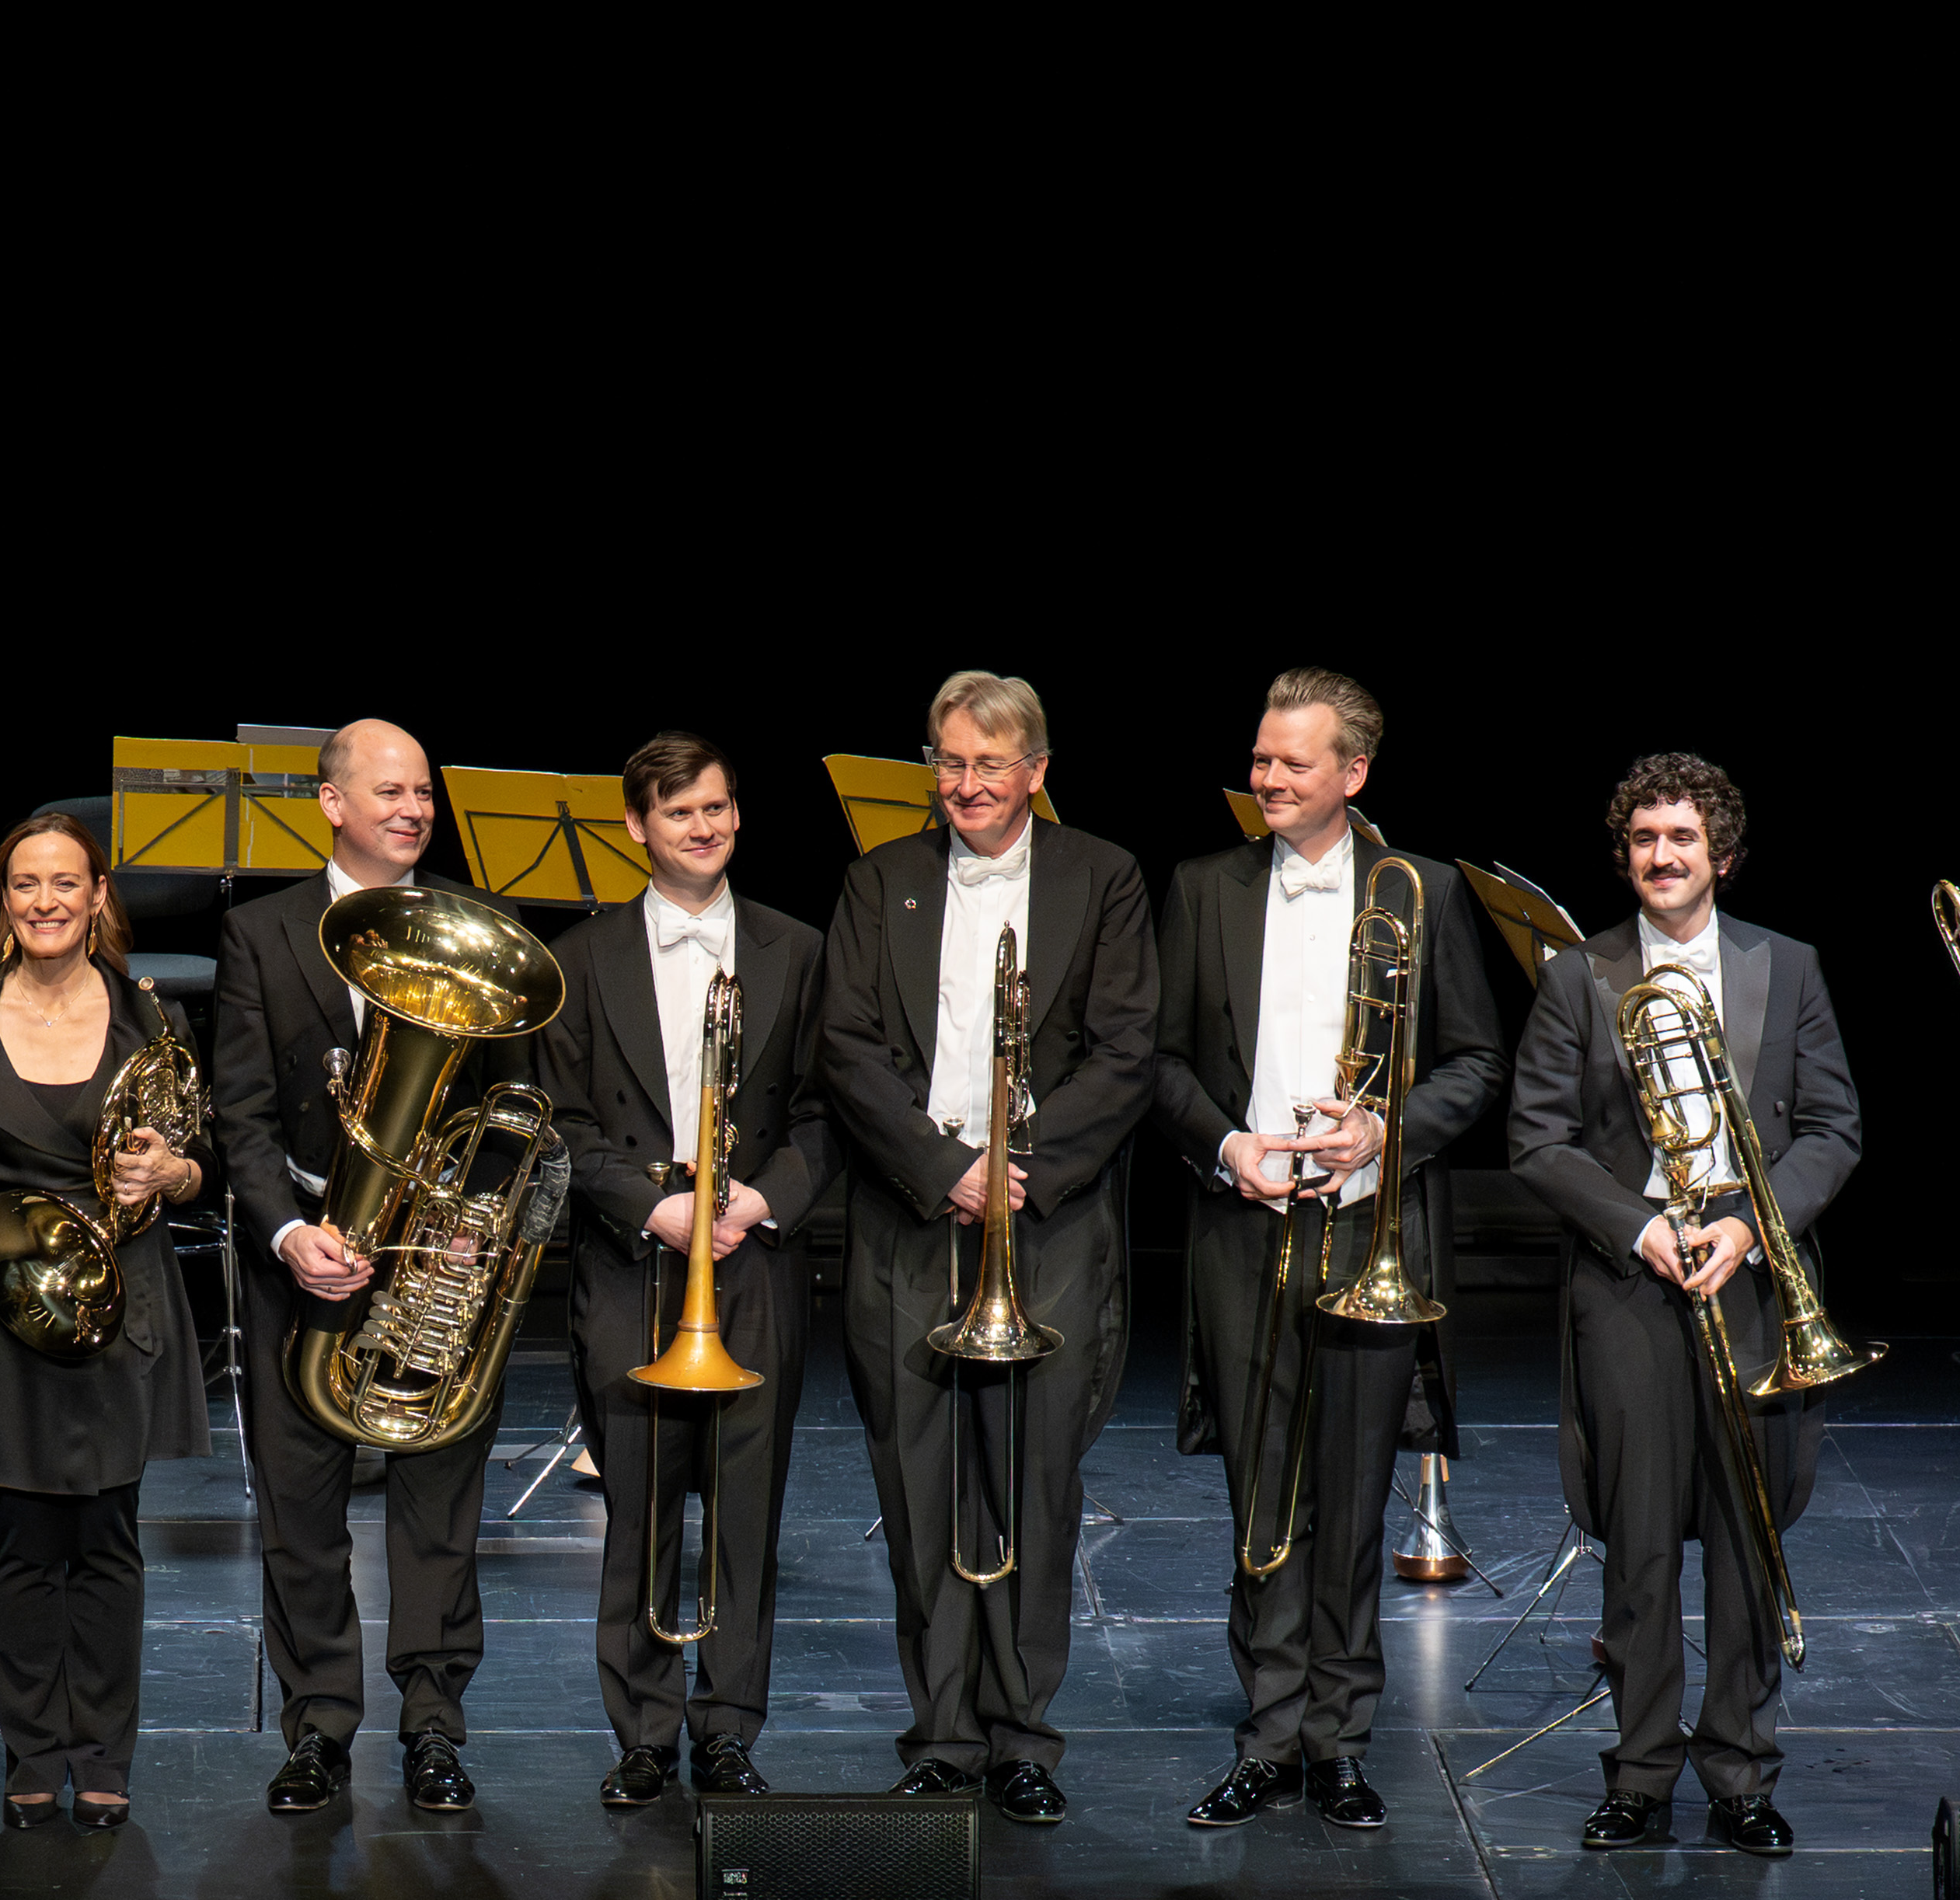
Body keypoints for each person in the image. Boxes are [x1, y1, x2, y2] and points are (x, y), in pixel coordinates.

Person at [1152, 668, 1520, 1834]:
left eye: (1291, 763)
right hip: (1244, 1221)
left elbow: (1474, 1064)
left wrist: (1382, 1130)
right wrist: (1224, 1145)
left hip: (1370, 1224)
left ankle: (1339, 1740)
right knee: (1261, 1494)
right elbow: (1157, 1062)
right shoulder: (1201, 886)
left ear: (1352, 774)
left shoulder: (1426, 892)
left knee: (1353, 1494)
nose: (1265, 778)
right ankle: (1266, 1734)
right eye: (1260, 757)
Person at [811, 668, 1158, 1818]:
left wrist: (1025, 1171)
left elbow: (1123, 1050)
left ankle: (1022, 1738)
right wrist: (944, 1170)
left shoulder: (1100, 877)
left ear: (1035, 773)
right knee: (918, 1479)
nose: (964, 783)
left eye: (987, 764)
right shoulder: (880, 882)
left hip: (1045, 1216)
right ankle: (941, 1736)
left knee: (1034, 1478)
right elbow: (848, 1047)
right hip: (915, 1213)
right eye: (948, 762)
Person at [1500, 748, 1861, 1853]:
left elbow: (1832, 1129)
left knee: (1751, 1540)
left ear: (1723, 856)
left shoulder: (1785, 967)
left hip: (1748, 1280)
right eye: (1645, 840)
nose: (1662, 857)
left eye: (1682, 839)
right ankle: (1641, 1772)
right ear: (1625, 854)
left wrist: (1751, 1225)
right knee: (1640, 1543)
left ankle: (1739, 1770)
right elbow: (1535, 1139)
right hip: (1631, 1284)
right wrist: (1641, 1224)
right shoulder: (1580, 975)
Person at [0, 808, 213, 1829]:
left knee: (109, 1536)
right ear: (6, 901)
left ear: (97, 897)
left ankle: (102, 1753)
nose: (44, 901)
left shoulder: (150, 1020)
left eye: (63, 883)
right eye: (24, 884)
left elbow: (194, 1165)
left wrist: (171, 1171)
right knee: (24, 1538)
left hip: (119, 1292)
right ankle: (33, 1752)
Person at [218, 716, 509, 1817]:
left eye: (423, 792)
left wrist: (475, 1223)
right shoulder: (259, 933)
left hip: (438, 1263)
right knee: (301, 1512)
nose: (411, 807)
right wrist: (289, 1235)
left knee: (438, 1509)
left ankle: (433, 1725)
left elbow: (512, 1107)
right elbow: (238, 1114)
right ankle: (318, 1728)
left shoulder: (478, 931)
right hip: (305, 1253)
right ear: (332, 804)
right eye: (387, 791)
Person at [537, 731, 828, 1811]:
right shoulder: (579, 959)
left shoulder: (796, 949)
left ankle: (729, 1729)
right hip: (631, 1257)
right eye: (677, 814)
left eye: (715, 808)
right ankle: (645, 1732)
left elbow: (819, 1111)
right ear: (636, 829)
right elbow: (560, 1125)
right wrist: (653, 1207)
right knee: (640, 1514)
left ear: (736, 815)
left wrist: (765, 1199)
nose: (701, 828)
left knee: (747, 1514)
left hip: (748, 1259)